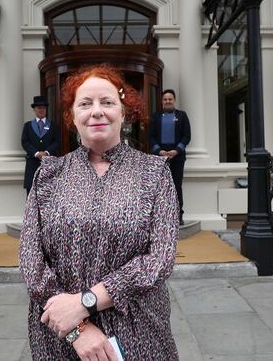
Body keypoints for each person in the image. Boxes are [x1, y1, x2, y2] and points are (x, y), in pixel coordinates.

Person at [19, 65, 180, 360]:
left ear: (124, 112)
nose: (96, 111)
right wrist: (78, 328)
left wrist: (85, 303)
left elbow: (160, 260)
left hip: (138, 328)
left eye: (107, 102)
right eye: (85, 103)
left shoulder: (154, 173)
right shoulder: (49, 174)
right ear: (72, 116)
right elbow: (32, 262)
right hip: (62, 335)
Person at [148, 89, 191, 225]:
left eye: (170, 99)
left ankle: (178, 216)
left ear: (174, 100)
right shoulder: (155, 116)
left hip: (177, 158)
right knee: (160, 188)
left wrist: (176, 150)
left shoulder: (182, 116)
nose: (167, 101)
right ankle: (161, 217)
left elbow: (187, 136)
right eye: (165, 99)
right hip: (159, 158)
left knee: (176, 186)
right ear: (162, 101)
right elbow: (151, 137)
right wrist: (159, 151)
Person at [21, 95, 60, 196]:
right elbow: (25, 142)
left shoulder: (53, 125)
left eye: (43, 107)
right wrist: (37, 153)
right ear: (34, 109)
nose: (41, 110)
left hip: (49, 164)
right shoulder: (28, 126)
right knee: (31, 195)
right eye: (39, 107)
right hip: (32, 164)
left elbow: (57, 142)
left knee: (49, 195)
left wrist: (46, 153)